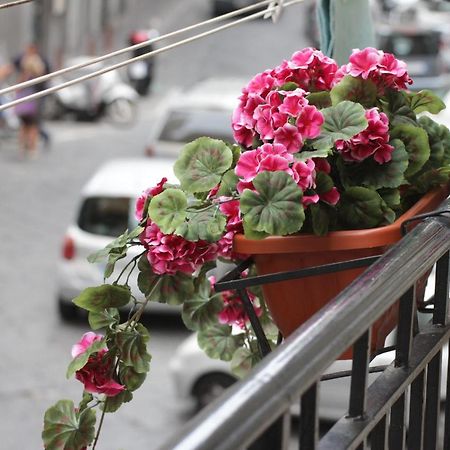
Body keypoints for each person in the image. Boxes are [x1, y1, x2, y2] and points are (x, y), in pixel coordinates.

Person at [0, 44, 51, 156]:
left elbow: (17, 87)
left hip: (26, 104)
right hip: (34, 104)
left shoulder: (29, 72)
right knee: (32, 126)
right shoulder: (37, 71)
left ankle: (25, 148)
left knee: (26, 126)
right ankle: (31, 148)